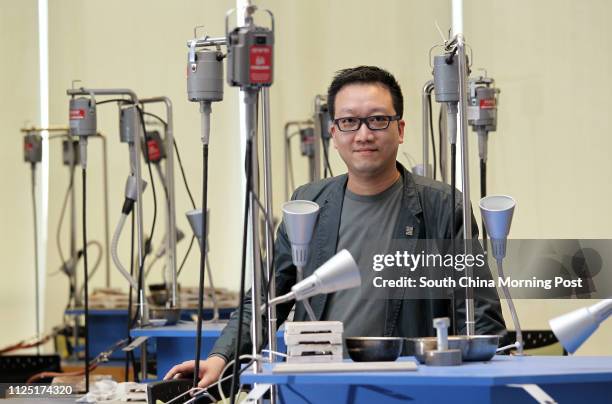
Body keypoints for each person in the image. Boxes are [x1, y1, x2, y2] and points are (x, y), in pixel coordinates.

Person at [165, 66, 506, 387]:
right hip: (319, 382)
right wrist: (220, 357)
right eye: (348, 122)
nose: (362, 134)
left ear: (400, 129)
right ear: (333, 132)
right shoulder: (309, 203)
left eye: (377, 120)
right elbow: (268, 299)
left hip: (410, 383)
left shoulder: (443, 206)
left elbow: (478, 313)